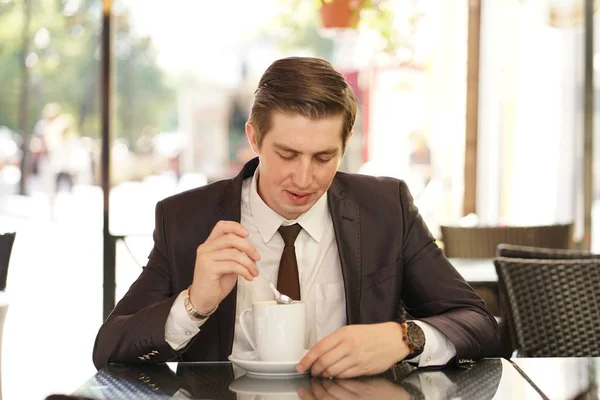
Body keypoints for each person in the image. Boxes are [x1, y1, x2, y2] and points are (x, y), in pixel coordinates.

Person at [93, 57, 499, 377]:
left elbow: (478, 323)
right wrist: (194, 305)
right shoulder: (186, 218)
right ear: (254, 138)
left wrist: (404, 337)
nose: (304, 179)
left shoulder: (385, 207)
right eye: (287, 155)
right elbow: (108, 349)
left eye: (324, 157)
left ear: (344, 145)